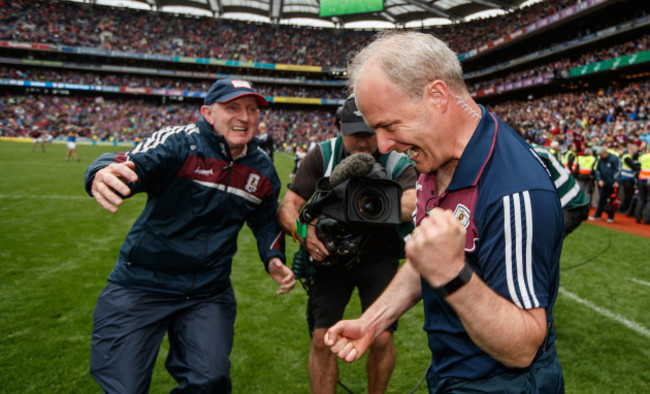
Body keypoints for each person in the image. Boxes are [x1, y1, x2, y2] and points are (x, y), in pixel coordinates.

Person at [324, 31, 565, 393]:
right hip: (451, 374)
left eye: (389, 125)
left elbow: (523, 348)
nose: (384, 144)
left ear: (437, 96)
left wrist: (452, 274)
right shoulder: (431, 161)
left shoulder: (515, 190)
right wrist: (372, 321)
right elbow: (427, 256)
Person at [84, 78, 296, 393]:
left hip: (207, 291)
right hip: (142, 282)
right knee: (123, 388)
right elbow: (132, 162)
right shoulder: (181, 143)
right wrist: (100, 171)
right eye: (232, 107)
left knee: (209, 381)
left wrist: (273, 256)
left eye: (252, 109)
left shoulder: (262, 170)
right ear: (208, 113)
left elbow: (265, 220)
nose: (245, 117)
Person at [277, 94, 417, 394]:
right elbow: (288, 205)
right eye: (356, 135)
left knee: (381, 337)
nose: (364, 143)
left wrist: (373, 204)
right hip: (330, 255)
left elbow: (413, 202)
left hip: (380, 255)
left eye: (370, 133)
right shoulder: (323, 155)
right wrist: (302, 229)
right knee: (322, 337)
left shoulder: (395, 159)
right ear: (340, 127)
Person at [532, 144, 590, 236]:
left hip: (571, 205)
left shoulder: (534, 154)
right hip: (572, 200)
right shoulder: (536, 150)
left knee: (543, 242)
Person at [589, 146, 621, 223]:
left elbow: (618, 171)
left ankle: (610, 217)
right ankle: (597, 215)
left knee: (612, 201)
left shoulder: (615, 159)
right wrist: (599, 179)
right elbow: (597, 170)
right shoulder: (600, 160)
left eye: (601, 154)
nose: (600, 156)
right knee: (602, 199)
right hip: (604, 182)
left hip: (613, 183)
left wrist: (616, 181)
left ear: (605, 153)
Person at [619, 141, 640, 213]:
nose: (637, 152)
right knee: (628, 194)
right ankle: (623, 208)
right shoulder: (626, 157)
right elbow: (633, 166)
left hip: (630, 178)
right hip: (626, 178)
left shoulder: (631, 157)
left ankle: (625, 208)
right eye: (636, 150)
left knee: (629, 194)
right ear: (633, 149)